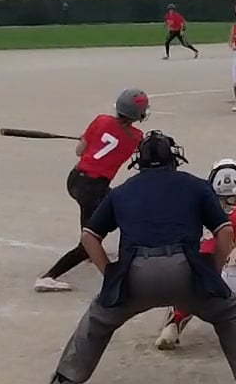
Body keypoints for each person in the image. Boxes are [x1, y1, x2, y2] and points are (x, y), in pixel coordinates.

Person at [49, 131, 236, 384]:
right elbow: (225, 232)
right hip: (186, 272)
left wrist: (111, 276)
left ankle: (66, 379)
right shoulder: (195, 186)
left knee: (99, 318)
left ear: (139, 161)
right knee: (231, 313)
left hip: (135, 275)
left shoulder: (122, 191)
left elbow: (89, 237)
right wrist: (211, 273)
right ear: (174, 158)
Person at [156, 157, 236, 352]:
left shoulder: (199, 206)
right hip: (221, 273)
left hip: (194, 272)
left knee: (188, 275)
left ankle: (173, 324)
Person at [35, 87, 150, 292]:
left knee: (102, 214)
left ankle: (89, 250)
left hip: (75, 180)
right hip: (94, 189)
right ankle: (48, 277)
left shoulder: (101, 121)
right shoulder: (136, 137)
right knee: (95, 235)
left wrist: (86, 139)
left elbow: (80, 151)